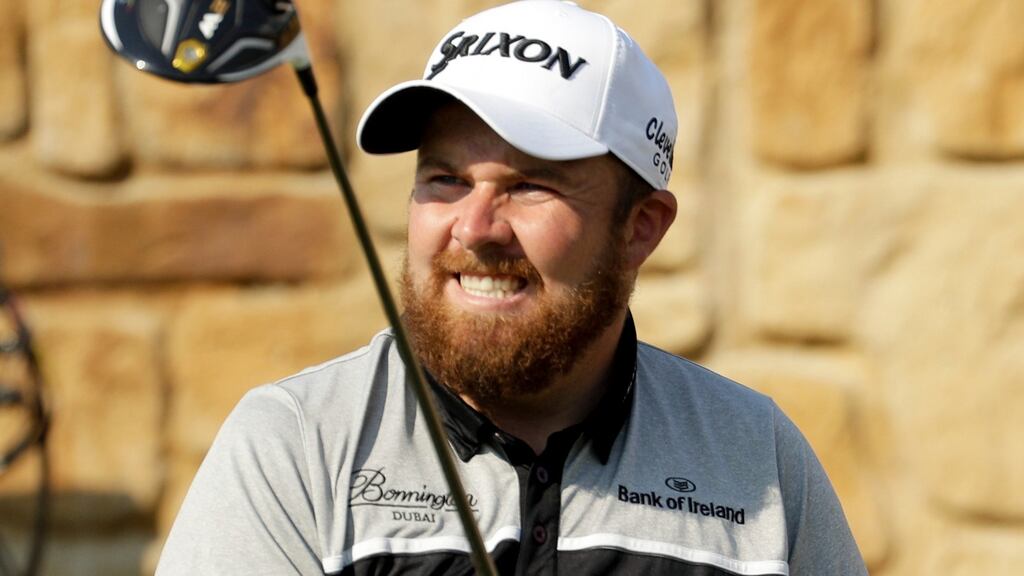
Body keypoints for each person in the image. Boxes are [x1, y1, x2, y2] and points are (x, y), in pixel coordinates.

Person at [157, 1, 868, 574]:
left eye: (531, 186)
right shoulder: (293, 443)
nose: (474, 228)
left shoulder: (756, 457)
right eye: (445, 179)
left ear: (640, 228)